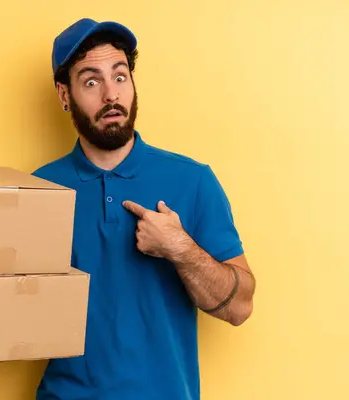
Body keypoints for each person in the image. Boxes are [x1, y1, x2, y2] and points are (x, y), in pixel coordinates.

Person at [32, 18, 256, 400]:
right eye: (90, 81)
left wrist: (180, 248)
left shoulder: (192, 180)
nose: (110, 95)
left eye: (120, 77)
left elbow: (239, 307)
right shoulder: (37, 191)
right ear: (64, 95)